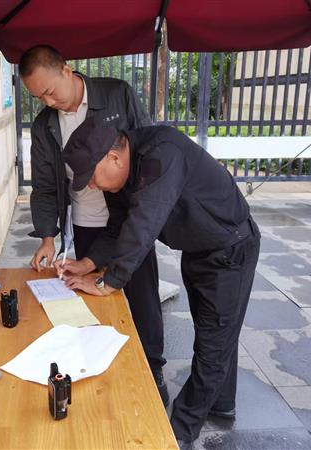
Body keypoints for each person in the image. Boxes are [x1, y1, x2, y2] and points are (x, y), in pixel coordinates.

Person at [60, 116, 261, 446]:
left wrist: (108, 282)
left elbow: (143, 226)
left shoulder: (162, 154)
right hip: (198, 247)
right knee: (216, 331)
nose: (92, 187)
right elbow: (119, 228)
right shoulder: (121, 176)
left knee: (214, 343)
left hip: (231, 249)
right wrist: (88, 263)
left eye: (91, 178)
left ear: (113, 157)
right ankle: (221, 404)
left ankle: (178, 432)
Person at [19, 46, 168, 404]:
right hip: (88, 221)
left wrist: (146, 207)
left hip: (130, 216)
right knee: (95, 300)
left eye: (50, 91)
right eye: (39, 97)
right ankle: (104, 371)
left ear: (67, 70)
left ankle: (153, 369)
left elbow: (146, 147)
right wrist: (47, 237)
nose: (48, 102)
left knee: (142, 296)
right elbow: (45, 185)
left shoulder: (116, 94)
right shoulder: (44, 125)